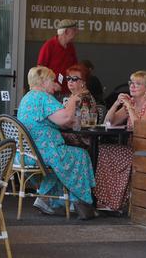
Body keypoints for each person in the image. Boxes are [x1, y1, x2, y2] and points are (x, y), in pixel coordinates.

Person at [17, 66, 96, 219]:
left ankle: (45, 198)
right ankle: (81, 202)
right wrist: (73, 100)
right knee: (81, 155)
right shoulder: (43, 98)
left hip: (28, 152)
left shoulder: (27, 98)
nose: (54, 84)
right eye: (51, 80)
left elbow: (62, 122)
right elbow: (66, 119)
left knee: (60, 164)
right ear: (43, 81)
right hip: (46, 152)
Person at [98, 71, 146, 211]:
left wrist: (130, 108)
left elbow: (140, 127)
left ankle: (113, 202)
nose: (132, 86)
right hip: (131, 147)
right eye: (131, 83)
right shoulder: (130, 102)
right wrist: (116, 104)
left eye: (138, 84)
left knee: (109, 152)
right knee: (104, 149)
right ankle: (109, 200)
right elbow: (109, 123)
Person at [37, 19, 79, 94]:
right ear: (66, 31)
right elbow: (40, 69)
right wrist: (51, 84)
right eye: (74, 30)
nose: (76, 33)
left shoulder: (71, 47)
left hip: (67, 90)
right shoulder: (49, 45)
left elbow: (75, 67)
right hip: (51, 91)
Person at [61, 64, 97, 148]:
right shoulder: (73, 96)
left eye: (74, 79)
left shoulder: (84, 98)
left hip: (81, 139)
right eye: (68, 78)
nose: (70, 81)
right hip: (71, 135)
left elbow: (82, 126)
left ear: (83, 82)